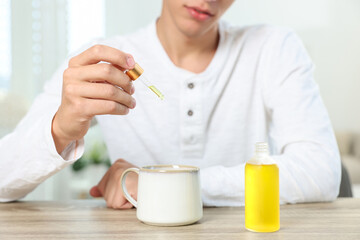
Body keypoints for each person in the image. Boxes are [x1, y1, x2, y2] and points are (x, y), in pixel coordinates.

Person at [0, 0, 341, 209]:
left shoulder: (273, 47)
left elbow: (321, 172)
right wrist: (60, 129)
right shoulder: (104, 60)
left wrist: (157, 185)